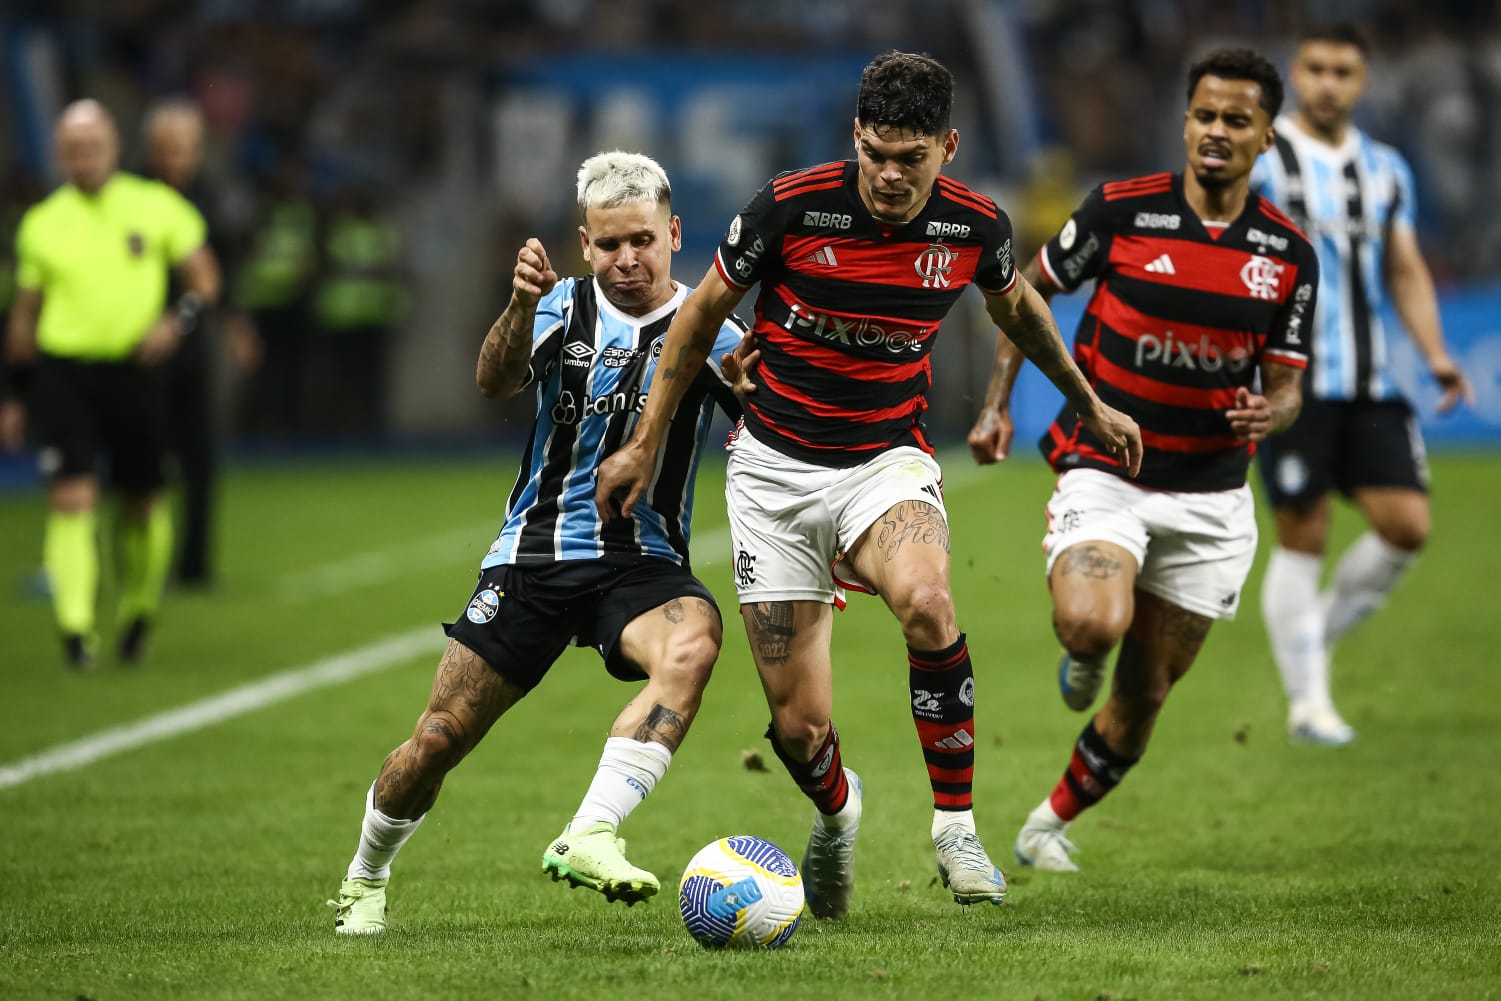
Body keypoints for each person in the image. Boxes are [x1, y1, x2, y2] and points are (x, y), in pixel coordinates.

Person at [596, 50, 1141, 917]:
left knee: (927, 601)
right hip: (773, 471)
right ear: (855, 137)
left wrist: (1089, 402)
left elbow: (1021, 313)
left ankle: (956, 828)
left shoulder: (971, 228)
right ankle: (838, 812)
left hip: (883, 461)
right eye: (875, 154)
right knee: (799, 726)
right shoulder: (789, 204)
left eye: (910, 158)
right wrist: (642, 443)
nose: (889, 175)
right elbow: (697, 319)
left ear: (947, 147)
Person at [330, 151, 747, 935]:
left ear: (674, 234)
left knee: (692, 645)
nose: (628, 259)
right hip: (533, 555)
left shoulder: (711, 326)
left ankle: (590, 831)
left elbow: (764, 412)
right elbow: (493, 379)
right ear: (585, 243)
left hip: (641, 560)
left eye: (644, 241)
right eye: (610, 244)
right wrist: (518, 306)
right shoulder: (559, 308)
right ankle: (365, 873)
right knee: (437, 738)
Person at [967, 48, 1318, 873]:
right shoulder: (1121, 211)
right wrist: (992, 405)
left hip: (1211, 498)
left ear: (1266, 136)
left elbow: (1289, 384)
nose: (1216, 132)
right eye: (1204, 115)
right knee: (1094, 619)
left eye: (1237, 120)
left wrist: (1273, 410)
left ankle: (1045, 822)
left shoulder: (1287, 254)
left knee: (1145, 695)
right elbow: (1026, 291)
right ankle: (1084, 646)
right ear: (1184, 120)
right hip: (1106, 469)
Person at [1250, 23, 1474, 746]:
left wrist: (1435, 352)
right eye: (1314, 68)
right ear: (1295, 71)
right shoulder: (1261, 156)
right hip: (1289, 378)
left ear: (1362, 81)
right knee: (1302, 534)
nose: (1326, 83)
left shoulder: (1385, 169)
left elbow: (1403, 266)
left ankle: (1311, 634)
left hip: (1370, 378)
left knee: (1406, 526)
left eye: (1341, 71)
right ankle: (1307, 702)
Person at [1, 100, 221, 667]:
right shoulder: (42, 223)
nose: (83, 158)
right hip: (65, 373)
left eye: (92, 147)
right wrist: (16, 395)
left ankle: (137, 610)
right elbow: (26, 315)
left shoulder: (155, 207)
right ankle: (75, 631)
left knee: (141, 502)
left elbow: (204, 278)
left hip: (136, 373)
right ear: (60, 154)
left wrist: (177, 322)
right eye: (72, 150)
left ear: (113, 147)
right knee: (72, 495)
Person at [143, 99, 261, 588]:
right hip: (137, 342)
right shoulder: (131, 195)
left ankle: (193, 566)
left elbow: (221, 271)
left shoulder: (209, 197)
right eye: (171, 150)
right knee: (144, 456)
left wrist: (235, 325)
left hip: (188, 339)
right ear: (153, 151)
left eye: (188, 149)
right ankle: (143, 564)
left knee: (198, 454)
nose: (180, 160)